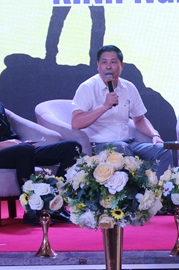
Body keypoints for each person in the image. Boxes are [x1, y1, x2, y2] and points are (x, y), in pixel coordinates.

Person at [0, 60, 81, 225]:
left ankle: (55, 205)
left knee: (72, 147)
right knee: (24, 151)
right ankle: (32, 211)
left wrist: (19, 141)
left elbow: (10, 133)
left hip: (19, 151)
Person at [71, 45, 173, 174]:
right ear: (98, 65)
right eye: (104, 62)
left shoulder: (129, 87)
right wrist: (104, 106)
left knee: (163, 149)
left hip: (128, 142)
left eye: (113, 62)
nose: (108, 67)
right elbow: (76, 123)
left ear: (121, 65)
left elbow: (140, 119)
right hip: (100, 145)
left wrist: (155, 135)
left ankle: (161, 186)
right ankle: (138, 187)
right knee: (121, 149)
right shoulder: (87, 87)